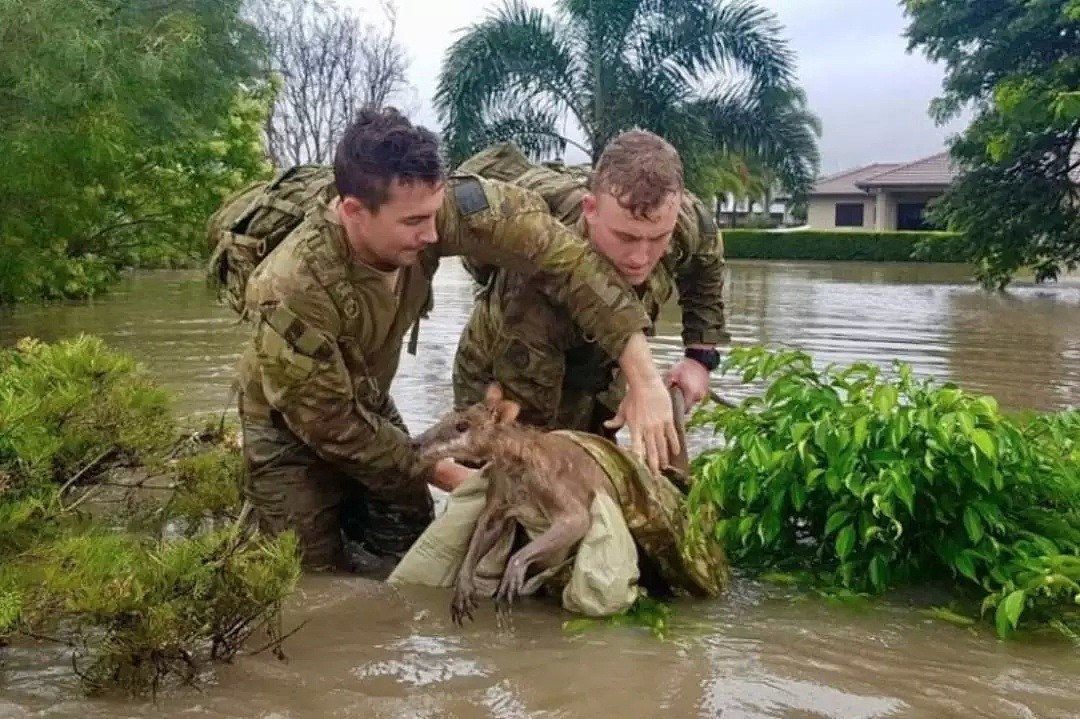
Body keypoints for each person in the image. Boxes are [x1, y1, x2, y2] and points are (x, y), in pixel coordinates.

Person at [218, 108, 680, 573]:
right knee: (306, 574)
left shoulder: (434, 208)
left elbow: (567, 259)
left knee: (408, 542)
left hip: (367, 398)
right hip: (289, 423)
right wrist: (456, 477)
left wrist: (643, 376)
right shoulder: (292, 287)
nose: (434, 233)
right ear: (355, 212)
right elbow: (329, 423)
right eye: (414, 222)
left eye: (436, 213)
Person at [451, 130, 730, 442]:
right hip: (508, 368)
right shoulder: (535, 276)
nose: (640, 257)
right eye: (626, 237)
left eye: (657, 239)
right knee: (517, 466)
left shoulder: (685, 221)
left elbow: (705, 261)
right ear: (591, 209)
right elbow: (531, 434)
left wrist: (699, 357)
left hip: (598, 366)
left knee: (598, 442)